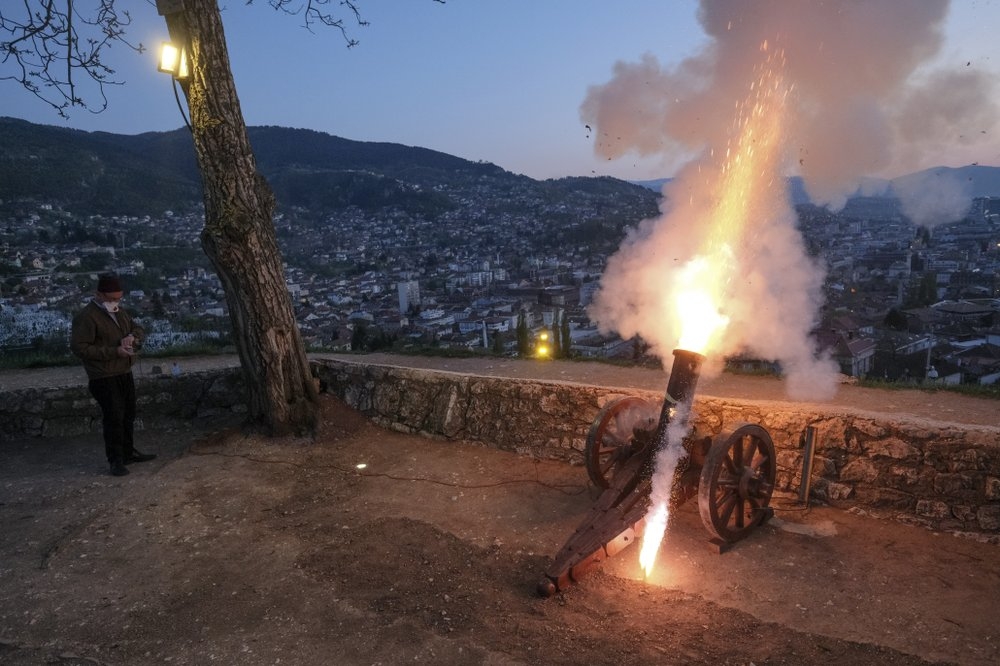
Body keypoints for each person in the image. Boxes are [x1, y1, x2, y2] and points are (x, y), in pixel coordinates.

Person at [70, 273, 156, 476]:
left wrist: (131, 337)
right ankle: (115, 459)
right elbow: (80, 348)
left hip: (123, 371)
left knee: (128, 414)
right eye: (111, 299)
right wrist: (113, 351)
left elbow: (137, 328)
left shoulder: (120, 312)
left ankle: (128, 452)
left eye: (118, 298)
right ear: (98, 294)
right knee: (114, 417)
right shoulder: (87, 317)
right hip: (103, 375)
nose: (114, 302)